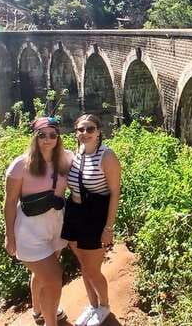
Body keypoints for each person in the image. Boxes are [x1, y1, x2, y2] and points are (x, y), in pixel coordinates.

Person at [4, 116, 71, 326]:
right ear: (35, 137)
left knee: (43, 275)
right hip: (30, 231)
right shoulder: (20, 165)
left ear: (58, 137)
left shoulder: (67, 158)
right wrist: (9, 235)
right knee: (53, 278)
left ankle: (39, 311)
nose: (47, 139)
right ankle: (50, 322)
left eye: (52, 134)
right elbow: (10, 201)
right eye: (42, 135)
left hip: (56, 226)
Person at [63, 114, 122, 326]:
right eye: (80, 129)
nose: (85, 133)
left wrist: (108, 227)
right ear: (76, 132)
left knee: (92, 269)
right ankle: (92, 304)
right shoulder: (76, 154)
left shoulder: (107, 157)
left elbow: (115, 192)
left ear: (98, 132)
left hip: (95, 217)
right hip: (74, 213)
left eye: (90, 129)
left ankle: (104, 306)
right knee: (83, 265)